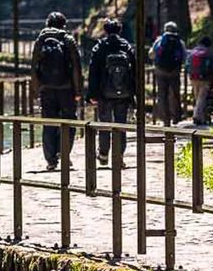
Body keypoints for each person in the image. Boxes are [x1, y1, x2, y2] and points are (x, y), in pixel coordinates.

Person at [29, 11, 83, 170]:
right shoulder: (68, 40)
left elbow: (34, 68)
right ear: (63, 25)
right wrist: (78, 91)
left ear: (47, 24)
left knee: (49, 122)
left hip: (46, 88)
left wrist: (36, 89)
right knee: (69, 121)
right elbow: (76, 68)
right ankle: (64, 153)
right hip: (66, 88)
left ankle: (51, 160)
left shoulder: (40, 41)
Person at [86, 18, 135, 164]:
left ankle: (103, 154)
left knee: (104, 123)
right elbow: (135, 72)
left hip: (103, 93)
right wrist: (134, 93)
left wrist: (91, 94)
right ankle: (119, 156)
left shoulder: (99, 47)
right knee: (121, 124)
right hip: (124, 92)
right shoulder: (126, 47)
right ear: (119, 30)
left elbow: (93, 72)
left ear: (105, 30)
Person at [149, 22, 185, 124]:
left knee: (162, 94)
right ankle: (176, 117)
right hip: (174, 71)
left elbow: (151, 54)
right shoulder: (179, 42)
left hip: (160, 70)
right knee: (174, 93)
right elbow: (184, 56)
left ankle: (165, 119)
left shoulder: (160, 40)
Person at [187, 33, 213, 127]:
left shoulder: (193, 51)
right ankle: (197, 117)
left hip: (193, 77)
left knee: (197, 97)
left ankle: (200, 117)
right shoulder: (209, 52)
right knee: (201, 98)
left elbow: (187, 64)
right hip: (205, 78)